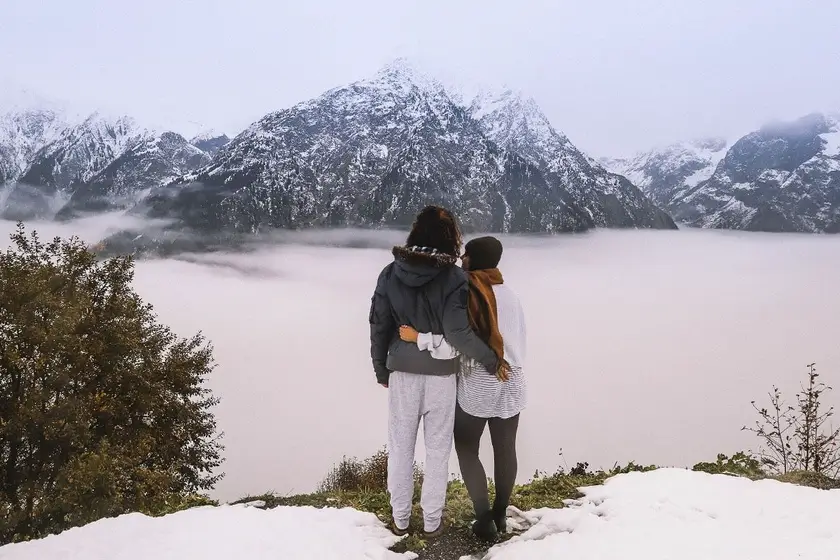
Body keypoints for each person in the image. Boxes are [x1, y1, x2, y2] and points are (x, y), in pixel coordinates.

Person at [368, 206, 504, 538]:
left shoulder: (389, 273)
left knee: (400, 446)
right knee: (438, 448)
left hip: (402, 372)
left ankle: (400, 520)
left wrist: (381, 370)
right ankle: (432, 522)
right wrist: (491, 358)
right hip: (442, 374)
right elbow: (458, 333)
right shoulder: (455, 277)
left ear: (416, 233)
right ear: (450, 238)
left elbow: (378, 326)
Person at [399, 236, 526, 542]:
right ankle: (500, 515)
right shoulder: (511, 295)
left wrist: (419, 338)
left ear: (476, 259)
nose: (462, 259)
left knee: (468, 448)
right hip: (515, 378)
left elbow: (455, 344)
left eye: (466, 255)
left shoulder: (468, 294)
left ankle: (484, 520)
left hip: (481, 378)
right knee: (505, 448)